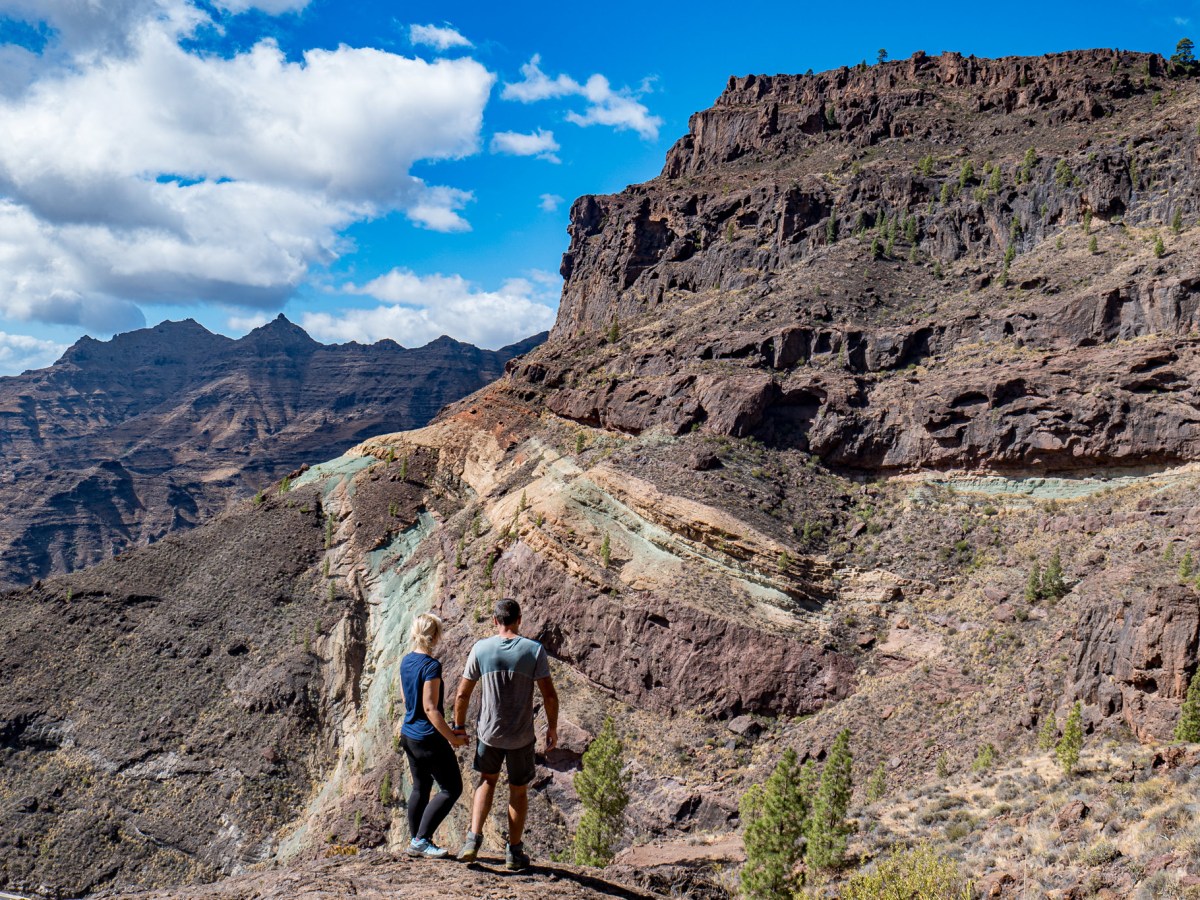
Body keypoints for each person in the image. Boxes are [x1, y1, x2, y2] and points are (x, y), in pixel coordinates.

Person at [452, 598, 558, 871]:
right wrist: (552, 728)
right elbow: (549, 694)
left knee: (486, 781)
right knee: (518, 790)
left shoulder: (481, 649)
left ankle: (472, 841)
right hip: (521, 736)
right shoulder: (533, 651)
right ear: (519, 619)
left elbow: (463, 693)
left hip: (489, 734)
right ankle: (514, 852)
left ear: (495, 620)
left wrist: (459, 726)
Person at [398, 612, 467, 859]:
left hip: (408, 734)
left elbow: (407, 700)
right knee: (451, 788)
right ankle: (421, 840)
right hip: (428, 737)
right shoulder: (431, 666)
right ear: (435, 635)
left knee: (421, 786)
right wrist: (452, 737)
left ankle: (416, 839)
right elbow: (430, 708)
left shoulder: (406, 661)